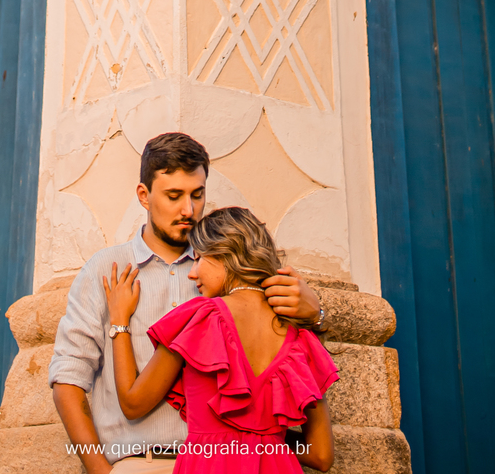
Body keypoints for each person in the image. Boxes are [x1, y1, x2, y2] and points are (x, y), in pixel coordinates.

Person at [50, 132, 324, 470]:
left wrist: (318, 314)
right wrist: (102, 472)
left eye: (197, 195)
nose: (188, 210)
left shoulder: (227, 272)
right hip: (144, 462)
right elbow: (68, 381)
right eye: (174, 195)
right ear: (144, 195)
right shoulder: (106, 270)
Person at [106, 206, 337, 471]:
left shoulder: (201, 318)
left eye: (200, 258)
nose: (192, 273)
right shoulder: (300, 338)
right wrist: (263, 441)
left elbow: (133, 403)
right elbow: (321, 455)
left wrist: (119, 322)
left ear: (226, 255)